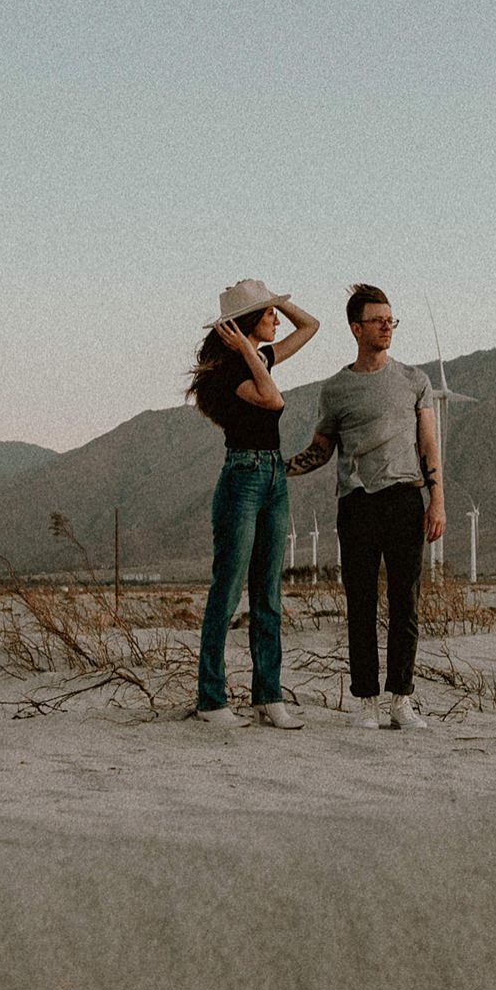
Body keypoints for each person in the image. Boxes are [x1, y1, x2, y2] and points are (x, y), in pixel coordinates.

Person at [285, 284, 443, 729]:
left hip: (406, 498)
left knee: (405, 604)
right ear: (356, 328)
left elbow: (429, 444)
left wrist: (438, 501)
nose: (387, 326)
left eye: (391, 319)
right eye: (378, 320)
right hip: (356, 504)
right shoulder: (336, 389)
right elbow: (321, 449)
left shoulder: (416, 381)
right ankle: (367, 701)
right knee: (360, 604)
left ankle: (401, 699)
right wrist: (278, 469)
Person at [187, 278, 319, 728]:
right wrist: (245, 350)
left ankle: (268, 696)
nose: (278, 320)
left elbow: (311, 326)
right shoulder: (229, 373)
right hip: (242, 477)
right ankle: (211, 700)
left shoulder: (255, 358)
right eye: (268, 314)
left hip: (273, 475)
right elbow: (273, 399)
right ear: (245, 327)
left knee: (268, 593)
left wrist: (278, 298)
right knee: (226, 592)